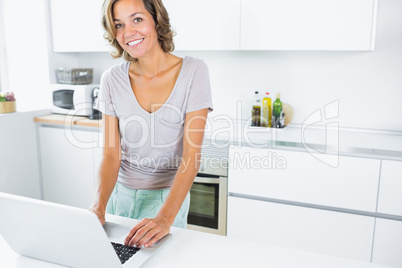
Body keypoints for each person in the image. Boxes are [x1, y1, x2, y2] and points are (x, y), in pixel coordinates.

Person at [89, 0, 213, 249]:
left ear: (156, 20)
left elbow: (191, 156)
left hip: (167, 201)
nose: (128, 32)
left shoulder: (193, 72)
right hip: (119, 198)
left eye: (137, 19)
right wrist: (99, 205)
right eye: (119, 25)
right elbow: (111, 154)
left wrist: (165, 218)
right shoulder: (111, 79)